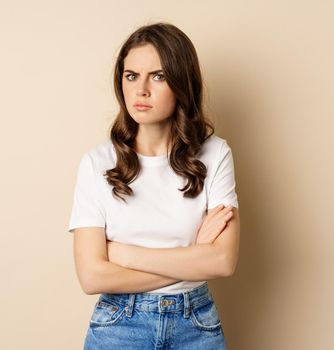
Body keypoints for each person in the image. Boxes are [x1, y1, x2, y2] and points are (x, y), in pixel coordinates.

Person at [67, 22, 240, 350]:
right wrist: (192, 257)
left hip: (197, 324)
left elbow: (222, 262)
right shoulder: (96, 163)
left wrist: (122, 254)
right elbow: (92, 277)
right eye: (131, 76)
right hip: (119, 324)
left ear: (181, 83)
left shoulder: (215, 154)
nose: (140, 90)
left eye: (158, 76)